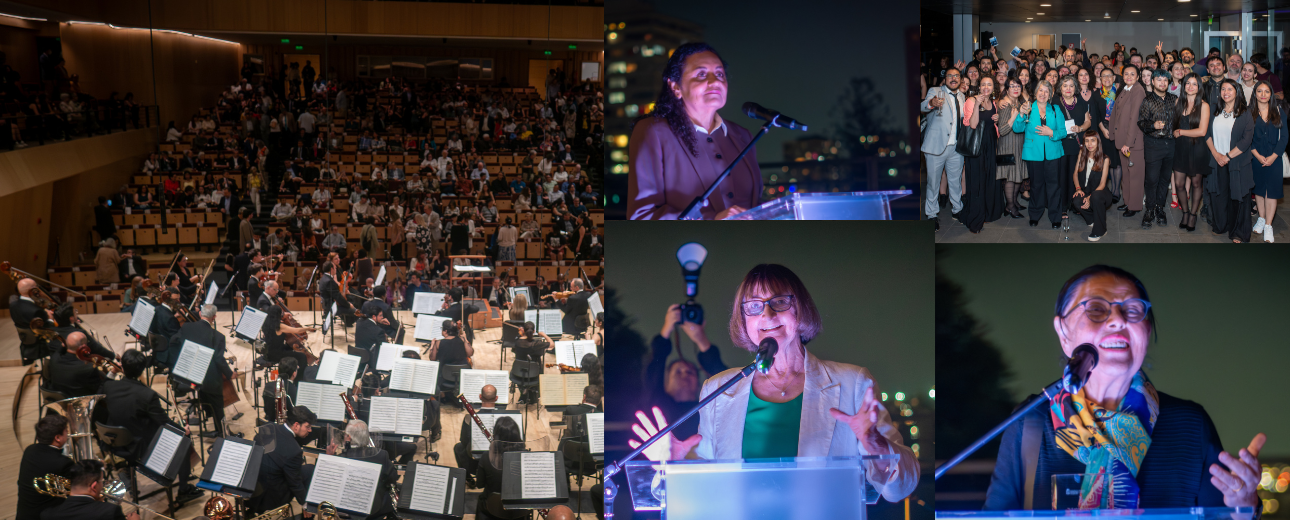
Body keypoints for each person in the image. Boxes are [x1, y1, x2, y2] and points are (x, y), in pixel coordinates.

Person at [628, 264, 919, 504]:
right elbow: (707, 484)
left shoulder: (852, 382)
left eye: (779, 302)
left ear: (800, 310)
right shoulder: (719, 389)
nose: (766, 314)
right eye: (753, 306)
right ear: (743, 320)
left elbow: (901, 487)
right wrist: (674, 466)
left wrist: (875, 444)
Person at [984, 265, 1265, 510]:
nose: (1118, 319)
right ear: (1063, 331)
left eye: (1133, 310)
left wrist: (1244, 505)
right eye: (1095, 309)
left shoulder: (1191, 425)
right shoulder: (1030, 421)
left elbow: (1226, 511)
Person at [627, 42, 761, 220]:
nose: (715, 81)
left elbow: (757, 204)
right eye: (701, 74)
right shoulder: (653, 131)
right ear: (675, 87)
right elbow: (642, 215)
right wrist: (711, 221)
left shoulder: (743, 136)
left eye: (720, 74)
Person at [97, 350, 204, 503]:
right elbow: (164, 422)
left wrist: (113, 372)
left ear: (122, 367)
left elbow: (101, 390)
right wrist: (183, 431)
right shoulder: (147, 394)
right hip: (139, 448)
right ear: (143, 369)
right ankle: (184, 490)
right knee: (184, 442)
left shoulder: (109, 387)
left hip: (114, 443)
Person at [168, 304, 234, 437]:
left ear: (200, 314)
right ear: (214, 317)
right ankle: (221, 431)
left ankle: (206, 411)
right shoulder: (218, 336)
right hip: (207, 380)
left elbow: (173, 341)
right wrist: (230, 374)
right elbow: (219, 359)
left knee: (206, 388)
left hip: (186, 375)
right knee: (217, 398)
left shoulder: (186, 327)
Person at [1206, 79, 1256, 243]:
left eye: (1229, 89)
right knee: (1219, 196)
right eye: (1223, 89)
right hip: (1217, 161)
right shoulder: (1215, 109)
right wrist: (1216, 155)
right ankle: (1221, 225)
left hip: (1237, 163)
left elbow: (1246, 141)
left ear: (1237, 92)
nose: (1225, 92)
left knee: (1238, 197)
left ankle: (1238, 232)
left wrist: (1226, 157)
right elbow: (1207, 134)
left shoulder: (1245, 113)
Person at [1015, 80, 1069, 228]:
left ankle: (1055, 216)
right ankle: (1035, 214)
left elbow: (1063, 132)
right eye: (1041, 90)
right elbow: (1017, 128)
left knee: (1054, 186)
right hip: (1034, 153)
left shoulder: (1056, 110)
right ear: (1036, 92)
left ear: (1050, 94)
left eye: (1046, 91)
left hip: (1053, 153)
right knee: (1036, 186)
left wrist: (1051, 133)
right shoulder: (1027, 108)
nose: (1043, 94)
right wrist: (1020, 114)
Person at [248, 406, 315, 516]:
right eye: (307, 427)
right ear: (296, 425)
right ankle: (307, 516)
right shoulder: (294, 451)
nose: (310, 430)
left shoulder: (269, 427)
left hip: (254, 488)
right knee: (310, 470)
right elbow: (295, 483)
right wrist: (304, 504)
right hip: (272, 497)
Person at [922, 67, 967, 230]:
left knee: (955, 182)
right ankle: (931, 214)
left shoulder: (962, 96)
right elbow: (922, 106)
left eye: (956, 76)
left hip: (956, 148)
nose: (953, 78)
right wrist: (931, 103)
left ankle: (957, 209)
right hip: (936, 147)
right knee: (933, 183)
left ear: (960, 79)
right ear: (945, 78)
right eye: (950, 76)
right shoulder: (935, 91)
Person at [960, 76, 1002, 233]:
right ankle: (976, 218)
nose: (986, 87)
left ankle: (988, 213)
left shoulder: (993, 102)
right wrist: (977, 103)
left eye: (989, 84)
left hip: (990, 144)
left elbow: (993, 126)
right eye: (983, 84)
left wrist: (997, 119)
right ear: (979, 86)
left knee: (990, 178)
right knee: (977, 181)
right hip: (977, 146)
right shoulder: (971, 101)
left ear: (993, 87)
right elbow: (973, 124)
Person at [1137, 69, 1179, 228]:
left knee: (1164, 179)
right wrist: (1152, 125)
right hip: (1153, 144)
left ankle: (1160, 208)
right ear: (1152, 82)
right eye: (1159, 80)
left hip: (1171, 144)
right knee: (1152, 179)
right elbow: (1141, 123)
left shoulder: (1174, 99)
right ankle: (1149, 209)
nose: (1162, 83)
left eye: (1165, 81)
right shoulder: (1147, 101)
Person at [1248, 80, 1287, 243]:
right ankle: (1262, 219)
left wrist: (1273, 156)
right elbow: (1246, 137)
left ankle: (1269, 225)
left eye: (1267, 91)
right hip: (1256, 157)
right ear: (1255, 93)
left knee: (1271, 193)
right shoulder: (1248, 112)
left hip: (1274, 158)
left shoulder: (1278, 111)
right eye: (1260, 91)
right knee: (1258, 191)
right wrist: (1257, 155)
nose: (1263, 95)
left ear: (1271, 94)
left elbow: (1284, 136)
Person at [1172, 73, 1211, 232]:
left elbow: (1202, 131)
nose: (1190, 86)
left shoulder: (1204, 105)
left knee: (1196, 184)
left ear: (1199, 87)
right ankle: (1185, 212)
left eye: (1194, 84)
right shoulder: (1178, 102)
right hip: (1181, 148)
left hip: (1197, 149)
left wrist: (1181, 132)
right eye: (1188, 83)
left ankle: (1193, 215)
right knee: (1179, 183)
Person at [38, 460, 136, 520]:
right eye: (102, 481)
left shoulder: (47, 515)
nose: (103, 484)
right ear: (93, 486)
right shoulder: (110, 511)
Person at [1109, 65, 1148, 217]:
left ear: (1138, 77)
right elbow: (1116, 113)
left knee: (1135, 175)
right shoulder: (1125, 89)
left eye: (1133, 74)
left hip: (1133, 143)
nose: (1129, 76)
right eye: (1126, 74)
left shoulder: (1138, 90)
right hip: (1123, 140)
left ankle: (1135, 205)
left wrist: (1128, 142)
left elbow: (1134, 119)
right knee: (1126, 173)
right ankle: (1128, 201)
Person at [17, 415, 73, 520]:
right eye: (66, 431)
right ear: (57, 437)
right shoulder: (63, 462)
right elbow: (77, 492)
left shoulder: (30, 450)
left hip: (24, 515)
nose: (68, 434)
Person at [997, 76, 1031, 218]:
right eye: (1012, 86)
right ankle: (1010, 206)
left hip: (1018, 143)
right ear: (1006, 89)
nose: (1016, 89)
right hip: (1008, 145)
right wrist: (1013, 117)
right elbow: (1003, 131)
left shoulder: (1019, 103)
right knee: (1010, 177)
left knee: (1018, 175)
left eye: (1018, 86)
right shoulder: (1005, 105)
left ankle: (1014, 202)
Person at [1071, 130, 1113, 241]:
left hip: (1101, 194)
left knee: (1095, 196)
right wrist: (1078, 189)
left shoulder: (1105, 159)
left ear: (1098, 142)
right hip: (1086, 190)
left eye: (1093, 141)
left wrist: (1089, 197)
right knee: (1076, 200)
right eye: (1087, 141)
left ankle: (1100, 230)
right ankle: (1092, 219)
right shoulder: (1082, 153)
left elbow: (1103, 183)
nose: (1090, 144)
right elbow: (1075, 174)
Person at [44, 332, 104, 398]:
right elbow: (99, 390)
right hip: (81, 404)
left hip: (58, 401)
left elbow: (59, 350)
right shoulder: (88, 368)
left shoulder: (54, 358)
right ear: (84, 347)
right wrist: (111, 375)